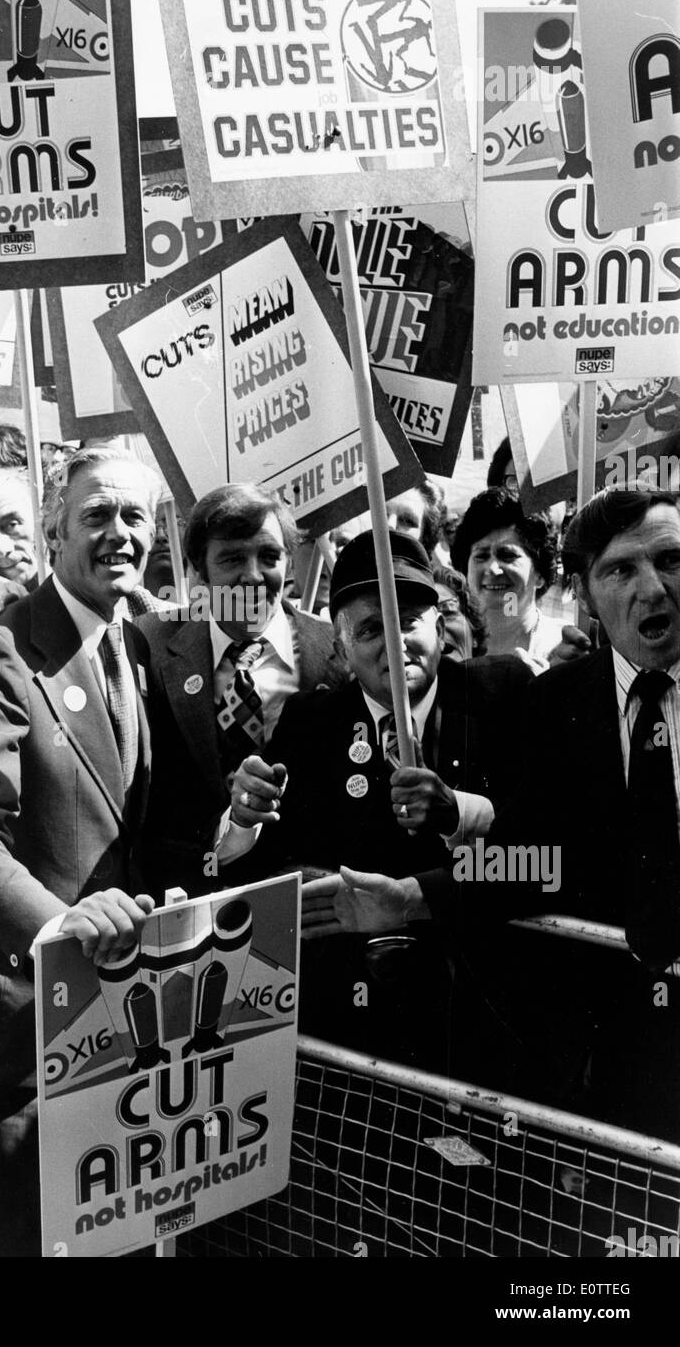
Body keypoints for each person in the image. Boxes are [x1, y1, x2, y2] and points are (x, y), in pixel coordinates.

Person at [325, 487, 680, 1137]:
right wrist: (411, 897)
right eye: (620, 570)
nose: (652, 588)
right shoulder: (557, 703)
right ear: (586, 592)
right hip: (611, 1061)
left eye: (671, 559)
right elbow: (530, 859)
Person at [0, 446, 162, 1257]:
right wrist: (62, 929)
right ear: (56, 532)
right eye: (96, 515)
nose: (118, 534)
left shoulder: (148, 645)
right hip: (24, 1031)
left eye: (135, 517)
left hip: (127, 1026)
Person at [227, 531, 533, 1069]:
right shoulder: (310, 723)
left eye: (408, 621)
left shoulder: (502, 695)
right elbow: (263, 862)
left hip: (476, 1023)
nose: (395, 643)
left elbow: (542, 852)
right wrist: (245, 817)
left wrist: (457, 813)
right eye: (372, 628)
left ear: (439, 624)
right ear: (341, 648)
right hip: (354, 1032)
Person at [137, 481, 346, 898]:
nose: (252, 576)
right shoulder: (149, 644)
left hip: (308, 906)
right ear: (199, 568)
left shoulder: (336, 649)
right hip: (189, 903)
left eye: (269, 556)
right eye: (232, 558)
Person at [451, 487, 564, 668]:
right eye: (482, 556)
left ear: (540, 574)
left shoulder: (564, 647)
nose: (493, 569)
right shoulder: (446, 646)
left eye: (507, 556)